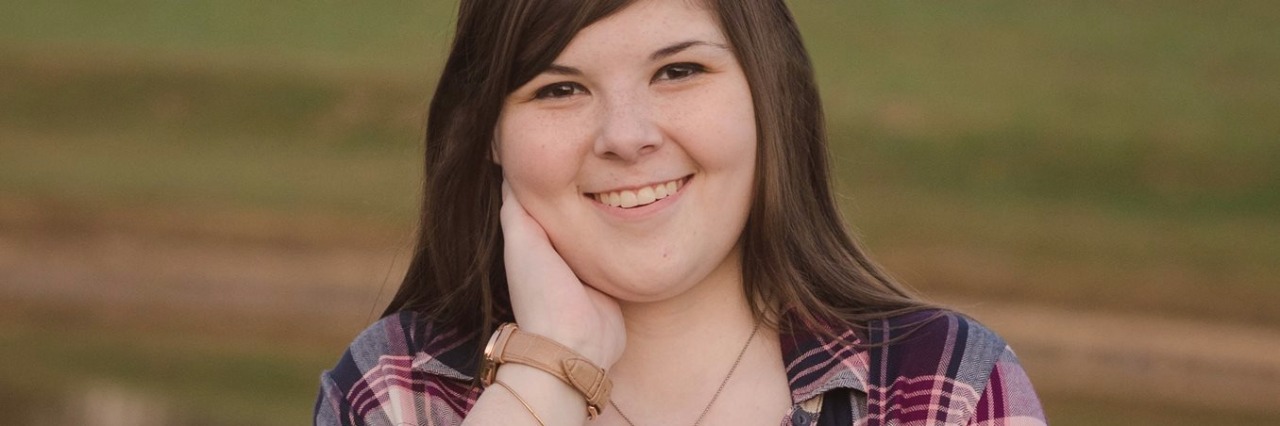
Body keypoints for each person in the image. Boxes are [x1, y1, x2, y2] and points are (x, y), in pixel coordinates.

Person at [315, 0, 1047, 424]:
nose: (627, 137)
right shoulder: (399, 391)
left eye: (679, 71)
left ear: (767, 95)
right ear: (490, 139)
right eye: (558, 89)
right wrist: (546, 374)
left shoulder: (941, 392)